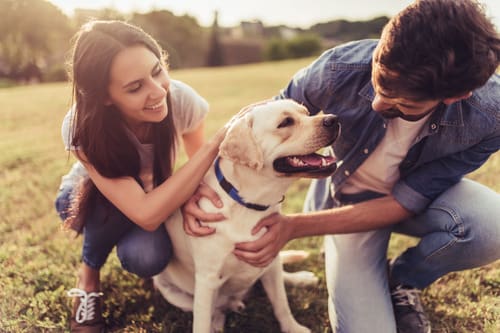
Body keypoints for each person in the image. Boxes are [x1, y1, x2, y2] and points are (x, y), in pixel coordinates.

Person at [183, 1, 500, 332]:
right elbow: (261, 118)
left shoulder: (490, 117)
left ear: (454, 96)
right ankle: (362, 272)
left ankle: (402, 279)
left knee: (493, 225)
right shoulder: (339, 68)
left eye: (403, 103)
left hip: (414, 200)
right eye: (379, 80)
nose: (378, 103)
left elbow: (407, 200)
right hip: (344, 199)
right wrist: (199, 183)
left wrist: (293, 226)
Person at [54, 20, 227, 332]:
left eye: (157, 70)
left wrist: (190, 199)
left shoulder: (181, 99)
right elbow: (146, 214)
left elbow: (200, 173)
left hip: (148, 196)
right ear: (104, 96)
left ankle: (126, 244)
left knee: (147, 257)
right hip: (86, 200)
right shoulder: (81, 125)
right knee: (117, 205)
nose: (157, 90)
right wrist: (217, 142)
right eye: (135, 87)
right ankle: (88, 279)